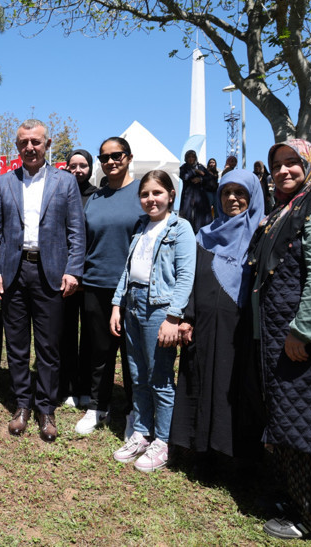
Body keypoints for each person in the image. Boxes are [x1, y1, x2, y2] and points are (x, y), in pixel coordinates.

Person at [247, 139, 311, 540]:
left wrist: (303, 331)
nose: (283, 170)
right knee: (293, 421)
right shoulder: (290, 207)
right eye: (277, 164)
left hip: (310, 342)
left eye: (292, 162)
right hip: (282, 336)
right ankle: (297, 499)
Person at [0, 119, 85, 442]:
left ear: (47, 144)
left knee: (48, 346)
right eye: (23, 142)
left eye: (36, 142)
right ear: (17, 146)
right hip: (13, 273)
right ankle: (22, 405)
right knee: (16, 346)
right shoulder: (4, 182)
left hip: (50, 273)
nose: (30, 147)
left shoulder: (65, 182)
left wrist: (73, 269)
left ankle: (45, 407)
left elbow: (76, 231)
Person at [170, 169, 265, 462]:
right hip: (202, 325)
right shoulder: (204, 235)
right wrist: (187, 317)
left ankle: (232, 455)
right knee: (199, 378)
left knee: (233, 385)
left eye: (240, 193)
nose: (232, 198)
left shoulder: (262, 236)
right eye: (226, 192)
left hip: (239, 329)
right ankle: (198, 448)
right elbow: (190, 277)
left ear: (253, 197)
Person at [109, 170, 196, 472]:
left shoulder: (180, 228)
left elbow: (185, 276)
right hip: (133, 305)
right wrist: (117, 304)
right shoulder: (141, 226)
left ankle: (163, 440)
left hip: (159, 308)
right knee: (137, 375)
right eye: (145, 194)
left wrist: (173, 317)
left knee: (159, 377)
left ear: (171, 195)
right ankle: (142, 432)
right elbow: (128, 269)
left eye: (157, 192)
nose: (151, 199)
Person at [75, 137, 140, 437]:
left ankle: (134, 412)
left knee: (132, 355)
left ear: (129, 157)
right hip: (96, 283)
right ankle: (98, 406)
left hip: (132, 288)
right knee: (99, 351)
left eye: (117, 155)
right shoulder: (96, 198)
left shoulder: (142, 192)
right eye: (105, 157)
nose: (111, 161)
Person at [60, 149, 97, 409]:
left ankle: (87, 387)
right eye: (73, 165)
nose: (77, 170)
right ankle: (69, 386)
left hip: (91, 274)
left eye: (83, 165)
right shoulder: (61, 193)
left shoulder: (98, 195)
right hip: (64, 274)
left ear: (90, 168)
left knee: (91, 335)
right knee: (66, 333)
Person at [178, 150, 215, 233]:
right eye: (189, 157)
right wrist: (194, 171)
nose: (191, 159)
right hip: (188, 197)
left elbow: (209, 178)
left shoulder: (200, 167)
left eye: (193, 157)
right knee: (186, 217)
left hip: (200, 197)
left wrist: (200, 179)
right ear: (186, 158)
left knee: (201, 219)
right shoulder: (183, 168)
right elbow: (185, 176)